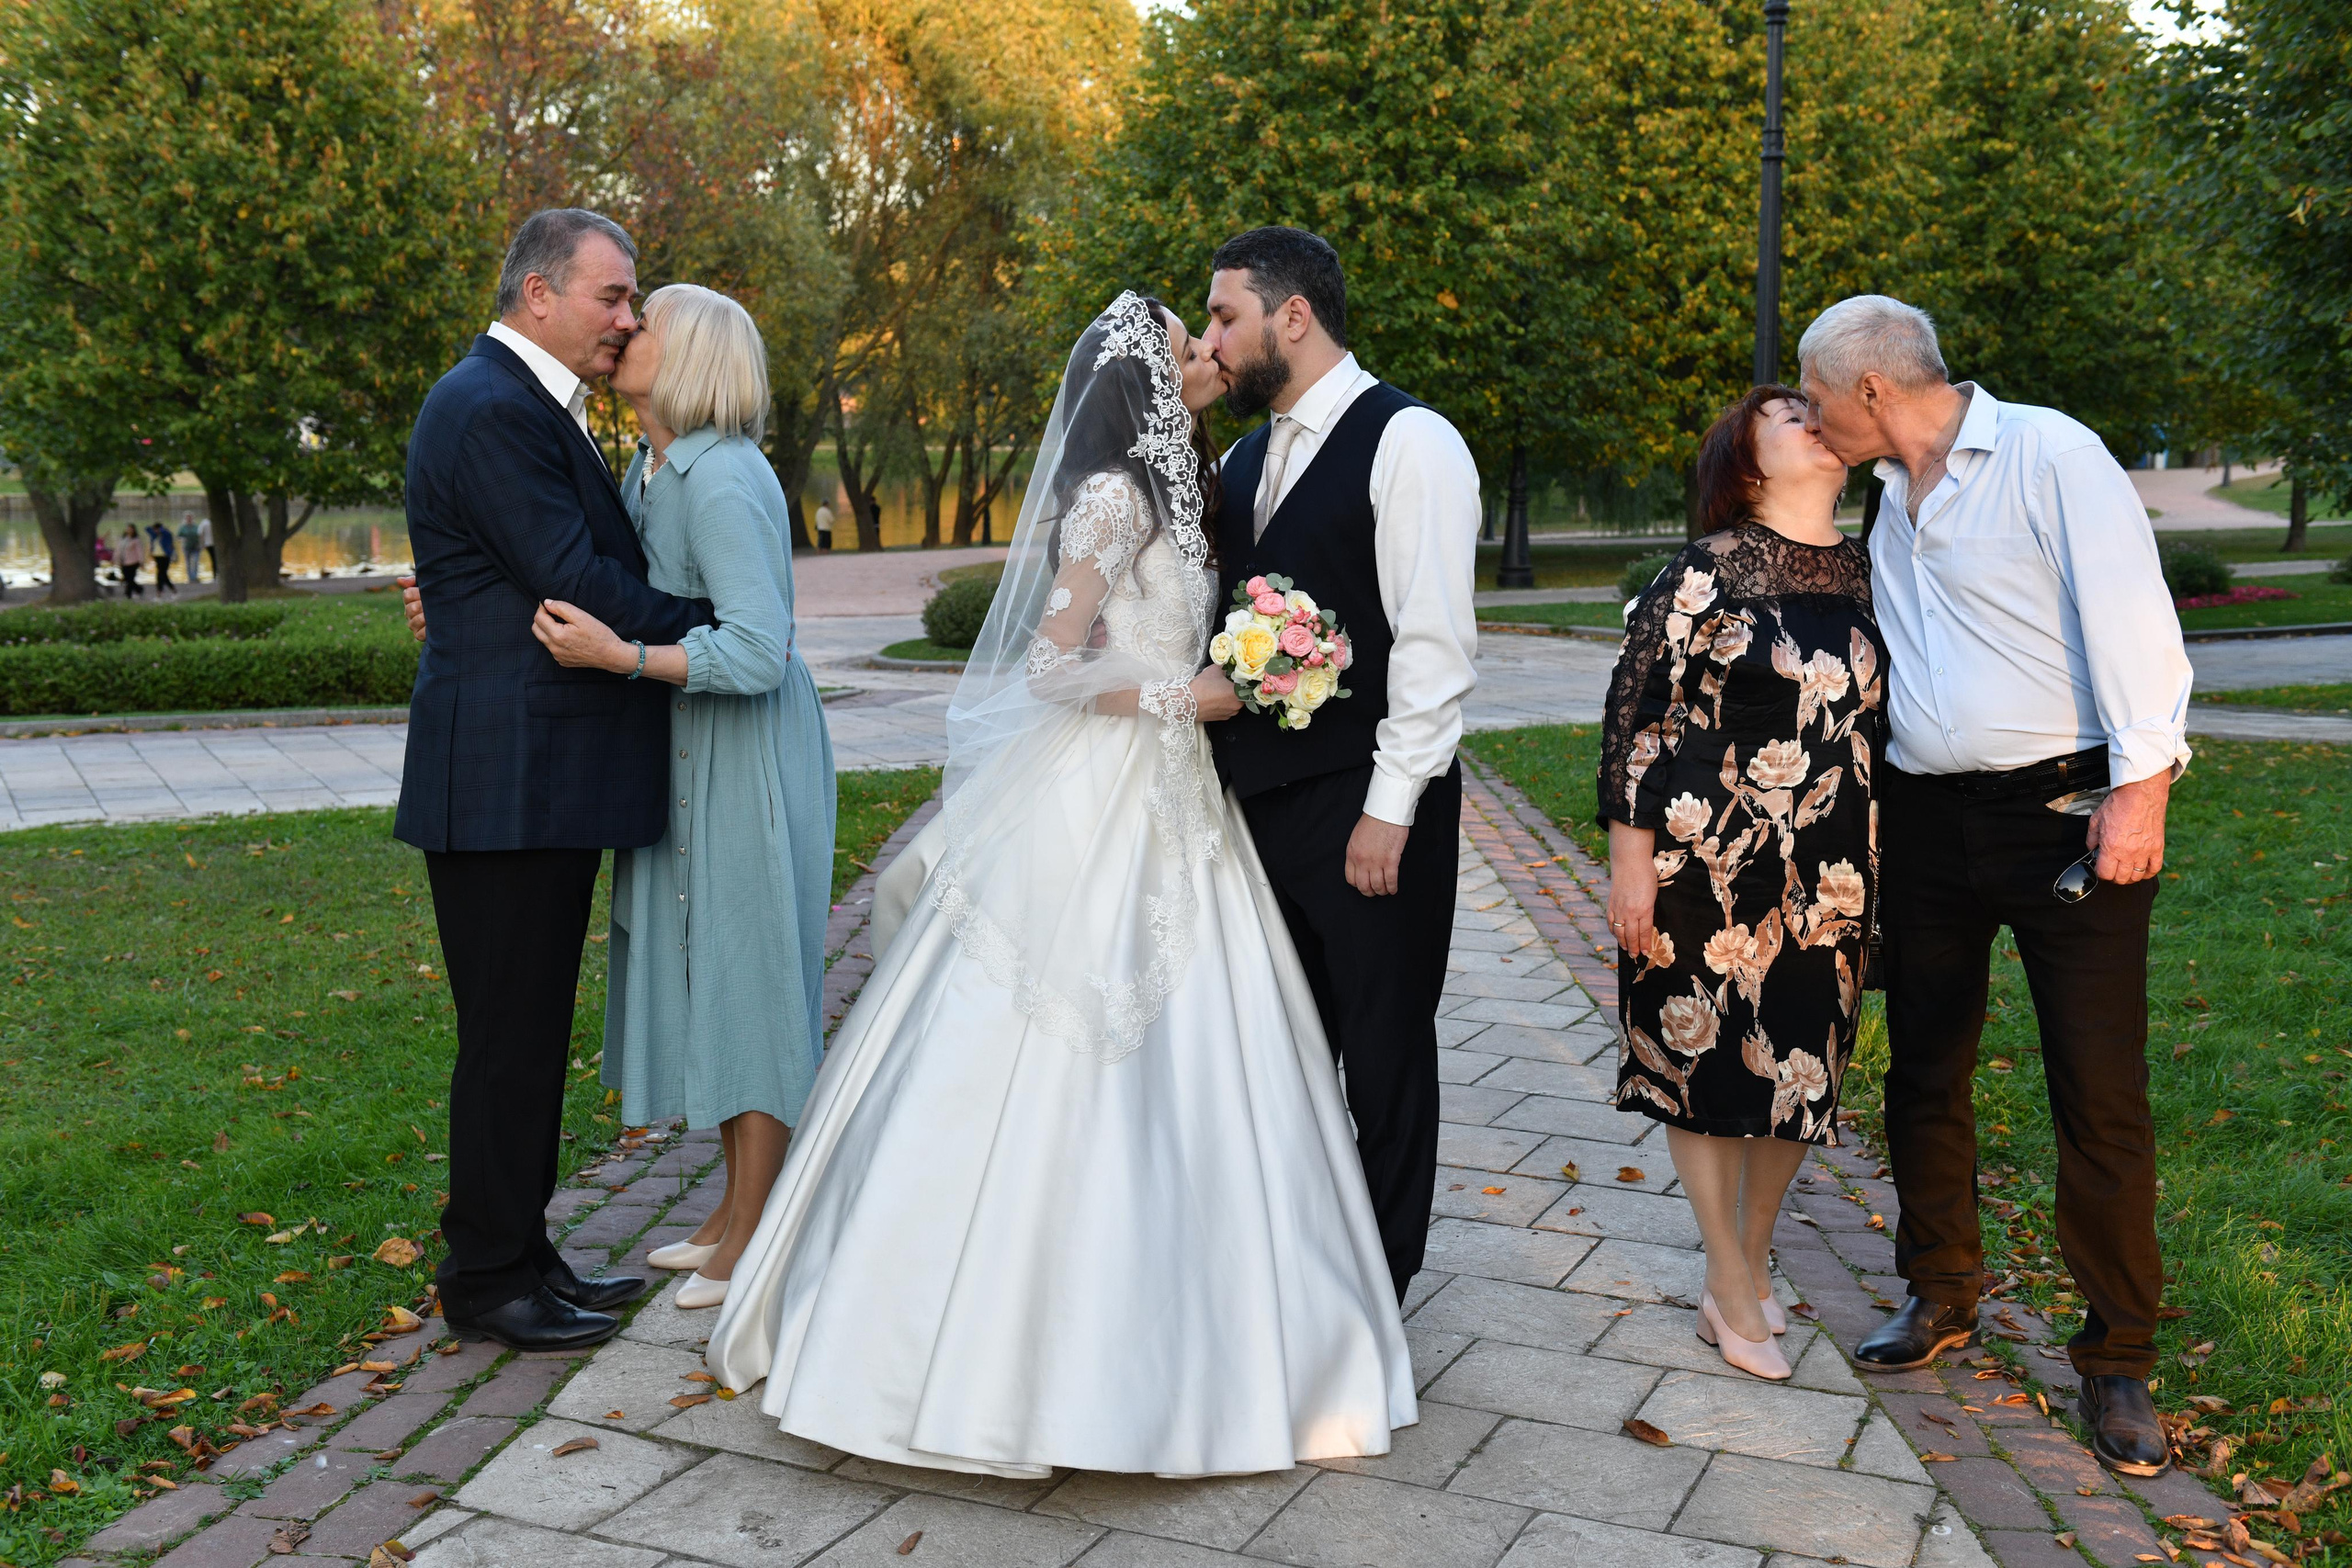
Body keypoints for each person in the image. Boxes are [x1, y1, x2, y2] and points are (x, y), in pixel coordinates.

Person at [705, 292, 1414, 1479]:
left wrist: (1255, 657)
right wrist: (1184, 691)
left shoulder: (1194, 485)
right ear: (1145, 382)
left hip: (1179, 795)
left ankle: (1192, 1338)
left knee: (1208, 1032)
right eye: (1187, 347)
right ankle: (978, 1359)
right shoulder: (1110, 496)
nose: (1207, 357)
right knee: (1052, 1034)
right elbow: (1048, 661)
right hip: (1107, 779)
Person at [1799, 295, 2190, 1475]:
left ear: (1870, 388)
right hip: (1927, 821)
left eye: (1818, 397)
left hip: (2067, 816)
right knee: (1925, 1066)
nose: (1812, 420)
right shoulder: (1884, 492)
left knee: (2097, 1088)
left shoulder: (2049, 453)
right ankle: (1940, 1292)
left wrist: (2142, 791)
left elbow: (2135, 622)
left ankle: (2118, 1360)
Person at [392, 209, 717, 1354]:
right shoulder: (487, 406)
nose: (628, 318)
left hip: (531, 777)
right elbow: (577, 576)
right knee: (508, 1041)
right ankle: (487, 1281)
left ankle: (523, 1254)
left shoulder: (523, 404)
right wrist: (726, 626)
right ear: (539, 293)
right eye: (612, 295)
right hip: (503, 780)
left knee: (524, 1033)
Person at [525, 285, 836, 1313]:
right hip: (688, 743)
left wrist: (621, 657)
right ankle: (725, 1215)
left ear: (692, 356)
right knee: (711, 970)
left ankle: (756, 1229)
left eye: (643, 320)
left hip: (742, 749)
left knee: (748, 975)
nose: (623, 328)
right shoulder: (656, 465)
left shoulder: (725, 478)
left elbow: (757, 647)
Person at [1199, 226, 1482, 1303]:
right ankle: (1292, 1273)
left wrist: (1391, 809)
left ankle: (1377, 1291)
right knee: (1282, 1051)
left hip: (1366, 808)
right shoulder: (1242, 453)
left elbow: (1433, 646)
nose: (1216, 340)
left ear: (1293, 316)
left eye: (1227, 316)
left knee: (1384, 1052)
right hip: (1257, 805)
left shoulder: (1411, 441)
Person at [1598, 386, 1884, 1381]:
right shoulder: (1707, 570)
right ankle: (1727, 1280)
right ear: (1748, 464)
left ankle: (1749, 1257)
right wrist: (1627, 863)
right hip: (1700, 863)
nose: (1815, 420)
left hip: (1829, 865)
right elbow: (1634, 719)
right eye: (1788, 416)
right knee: (1706, 1068)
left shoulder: (1864, 570)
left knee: (1801, 1071)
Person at [115, 524, 146, 598]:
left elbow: (140, 552)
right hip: (124, 562)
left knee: (130, 579)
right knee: (127, 578)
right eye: (128, 529)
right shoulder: (123, 539)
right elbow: (118, 550)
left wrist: (141, 562)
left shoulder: (136, 540)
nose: (129, 530)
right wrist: (115, 559)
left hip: (133, 562)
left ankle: (128, 595)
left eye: (130, 529)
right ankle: (139, 589)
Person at [147, 521, 177, 597]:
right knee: (161, 573)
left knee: (161, 573)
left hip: (165, 556)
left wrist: (161, 529)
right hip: (157, 556)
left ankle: (161, 590)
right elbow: (147, 529)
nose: (156, 531)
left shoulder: (166, 534)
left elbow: (169, 538)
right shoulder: (154, 535)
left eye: (157, 529)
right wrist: (155, 529)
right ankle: (166, 589)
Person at [178, 513, 204, 584]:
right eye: (187, 518)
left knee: (196, 561)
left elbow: (200, 535)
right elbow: (179, 536)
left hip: (196, 547)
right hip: (187, 547)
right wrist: (183, 539)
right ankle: (190, 578)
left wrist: (202, 544)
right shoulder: (183, 527)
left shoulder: (196, 526)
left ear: (192, 518)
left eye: (190, 518)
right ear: (185, 519)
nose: (189, 519)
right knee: (188, 563)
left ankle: (194, 577)